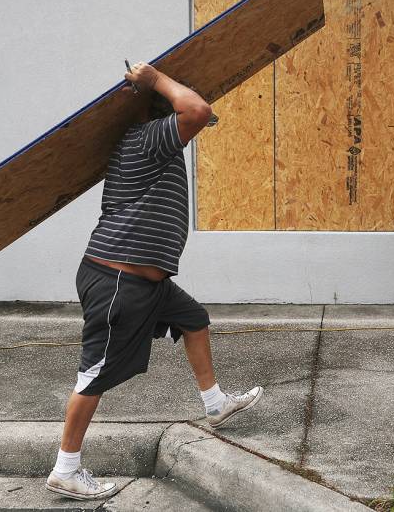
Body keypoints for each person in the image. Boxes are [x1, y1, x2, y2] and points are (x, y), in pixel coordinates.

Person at [46, 62, 264, 501]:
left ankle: (215, 404)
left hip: (147, 282)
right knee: (95, 374)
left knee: (193, 319)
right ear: (162, 109)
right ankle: (65, 468)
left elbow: (197, 112)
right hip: (118, 281)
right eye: (174, 102)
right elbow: (198, 111)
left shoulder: (152, 144)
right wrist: (155, 80)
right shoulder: (146, 137)